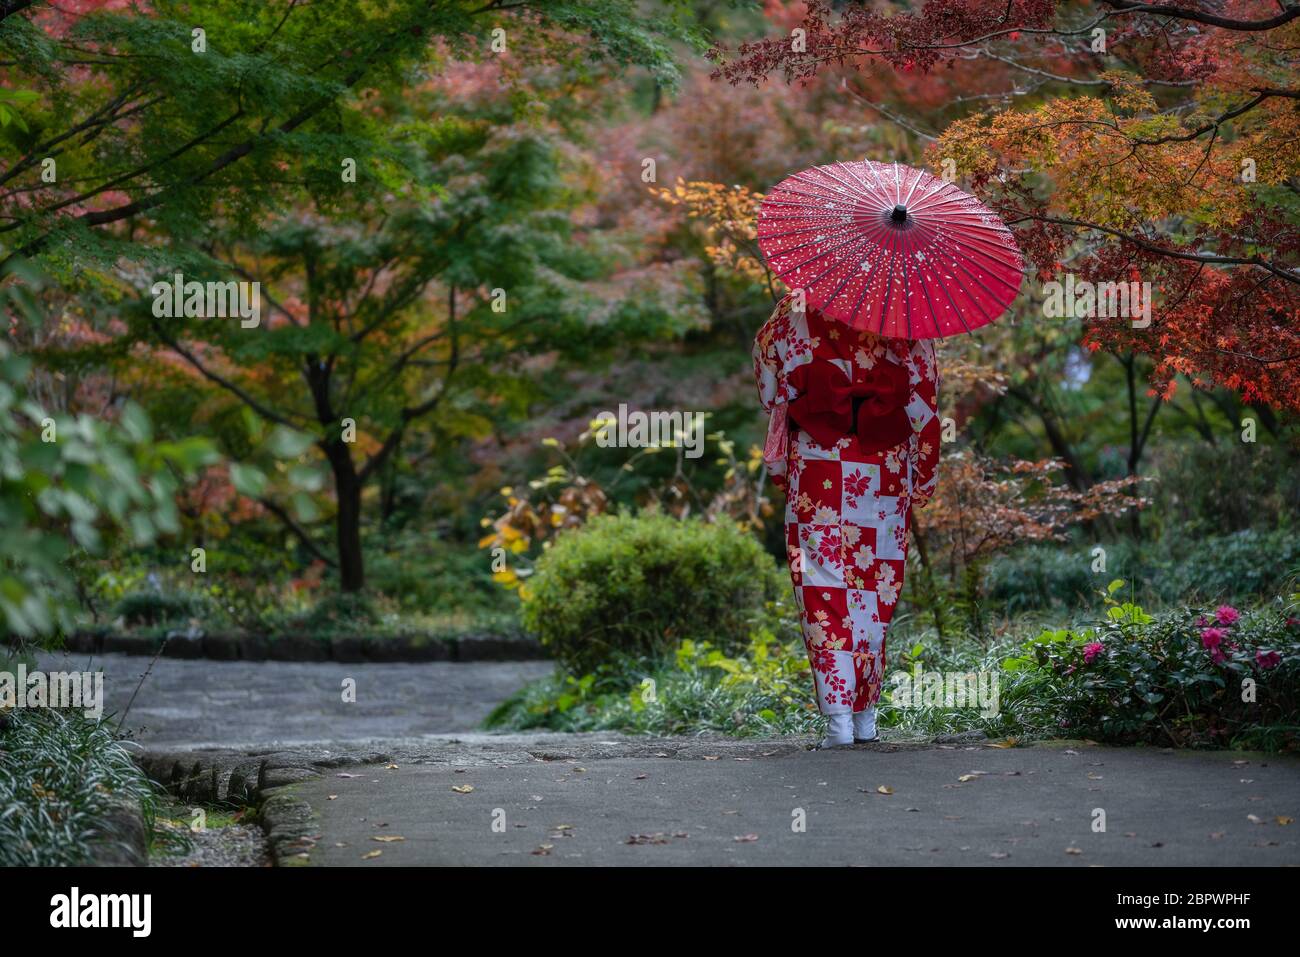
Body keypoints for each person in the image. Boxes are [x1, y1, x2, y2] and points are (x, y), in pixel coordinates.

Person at [753, 292, 940, 749]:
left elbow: (769, 386)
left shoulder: (795, 307)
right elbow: (925, 407)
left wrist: (780, 468)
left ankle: (838, 721)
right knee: (875, 586)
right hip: (884, 467)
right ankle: (865, 718)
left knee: (821, 585)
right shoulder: (907, 313)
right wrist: (924, 477)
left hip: (818, 461)